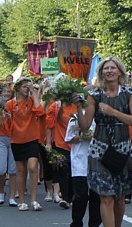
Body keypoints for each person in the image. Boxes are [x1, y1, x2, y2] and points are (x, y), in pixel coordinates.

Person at [73, 57, 132, 227]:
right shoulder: (94, 95)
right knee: (106, 196)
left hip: (121, 148)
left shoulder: (129, 93)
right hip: (100, 150)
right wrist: (79, 107)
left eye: (113, 68)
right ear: (101, 73)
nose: (109, 71)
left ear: (119, 72)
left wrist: (113, 112)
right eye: (106, 69)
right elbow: (85, 126)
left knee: (120, 198)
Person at [6, 77, 46, 211]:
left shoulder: (31, 101)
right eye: (24, 87)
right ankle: (22, 201)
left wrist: (34, 93)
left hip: (32, 138)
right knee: (20, 171)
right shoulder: (11, 104)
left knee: (33, 167)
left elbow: (40, 112)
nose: (26, 89)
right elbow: (7, 125)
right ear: (17, 88)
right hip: (17, 140)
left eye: (28, 87)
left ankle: (34, 200)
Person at [65, 106, 103, 227]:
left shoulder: (101, 116)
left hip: (97, 161)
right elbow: (68, 138)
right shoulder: (76, 117)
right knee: (80, 197)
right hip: (80, 162)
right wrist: (82, 136)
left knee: (96, 197)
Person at [46, 99, 77, 209]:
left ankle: (72, 196)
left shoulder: (77, 105)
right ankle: (65, 198)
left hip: (75, 143)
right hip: (60, 143)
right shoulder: (55, 106)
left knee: (73, 171)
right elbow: (49, 125)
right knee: (62, 170)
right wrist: (49, 143)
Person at [0, 82, 17, 206]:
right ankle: (1, 193)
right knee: (1, 169)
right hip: (1, 138)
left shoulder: (14, 105)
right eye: (3, 92)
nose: (6, 94)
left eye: (8, 92)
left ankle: (12, 197)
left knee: (13, 169)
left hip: (13, 138)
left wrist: (12, 119)